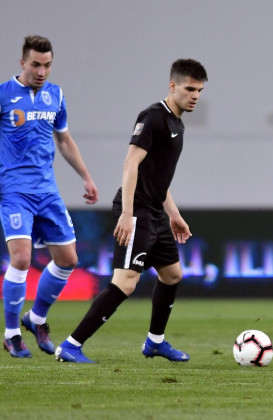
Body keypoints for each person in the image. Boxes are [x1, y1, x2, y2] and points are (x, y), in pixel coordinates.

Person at [54, 58, 208, 363]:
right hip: (136, 210)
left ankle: (155, 342)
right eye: (190, 89)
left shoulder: (178, 123)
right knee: (126, 281)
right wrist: (126, 213)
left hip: (155, 211)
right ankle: (71, 345)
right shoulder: (152, 117)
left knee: (172, 274)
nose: (195, 96)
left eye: (200, 90)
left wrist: (174, 214)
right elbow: (130, 163)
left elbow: (157, 179)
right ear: (173, 86)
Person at [0, 35, 98, 358]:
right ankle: (12, 333)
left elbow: (64, 140)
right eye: (36, 64)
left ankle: (36, 318)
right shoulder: (4, 95)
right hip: (13, 191)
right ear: (22, 63)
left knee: (68, 259)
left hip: (47, 191)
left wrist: (85, 176)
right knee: (22, 259)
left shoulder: (55, 96)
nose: (42, 71)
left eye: (47, 65)